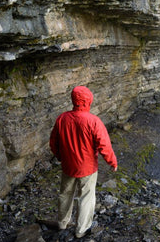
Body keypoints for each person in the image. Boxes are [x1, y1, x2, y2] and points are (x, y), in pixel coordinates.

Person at [49, 86, 118, 238]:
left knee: (65, 194)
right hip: (87, 168)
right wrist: (112, 162)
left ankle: (62, 222)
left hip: (68, 166)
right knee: (86, 197)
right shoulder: (94, 121)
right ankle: (81, 230)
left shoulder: (62, 118)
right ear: (88, 101)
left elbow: (53, 142)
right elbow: (104, 145)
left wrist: (60, 156)